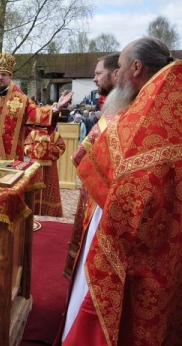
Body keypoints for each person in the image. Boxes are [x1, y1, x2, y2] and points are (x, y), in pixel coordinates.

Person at [57, 38, 182, 345]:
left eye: (122, 67)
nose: (116, 76)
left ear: (136, 68)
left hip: (137, 236)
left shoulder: (150, 114)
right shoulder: (160, 102)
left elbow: (104, 164)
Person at [63, 53, 119, 280]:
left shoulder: (122, 108)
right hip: (99, 190)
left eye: (97, 73)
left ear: (116, 73)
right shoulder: (117, 106)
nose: (94, 79)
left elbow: (81, 153)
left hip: (105, 196)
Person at [23, 126, 66, 217]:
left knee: (49, 186)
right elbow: (26, 145)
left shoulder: (56, 135)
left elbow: (61, 148)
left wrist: (47, 151)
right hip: (35, 167)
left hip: (50, 168)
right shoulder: (33, 134)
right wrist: (37, 151)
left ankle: (51, 211)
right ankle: (33, 208)